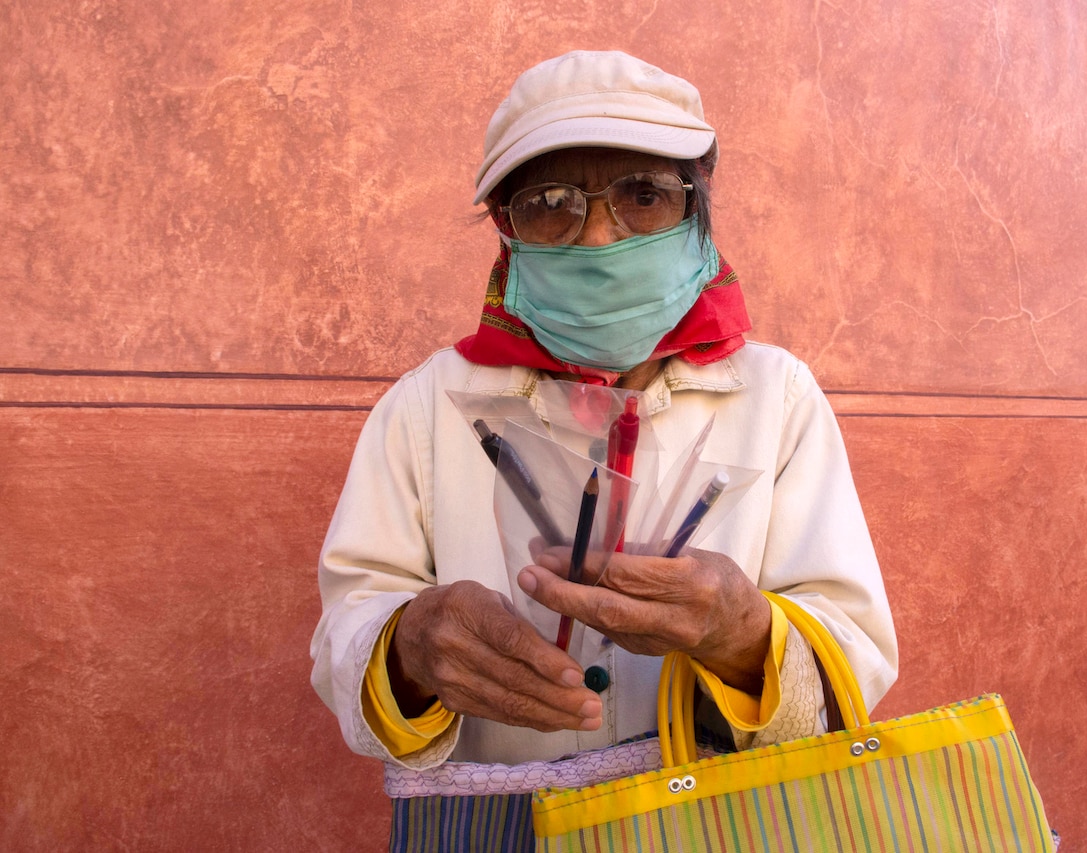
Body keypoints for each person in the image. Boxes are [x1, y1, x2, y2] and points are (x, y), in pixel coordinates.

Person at [310, 49, 897, 850]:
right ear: (506, 229)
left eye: (643, 194)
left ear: (697, 212)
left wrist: (745, 635)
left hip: (721, 825)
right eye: (551, 202)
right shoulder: (427, 405)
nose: (596, 236)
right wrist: (409, 647)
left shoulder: (776, 397)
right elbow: (349, 628)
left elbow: (856, 654)